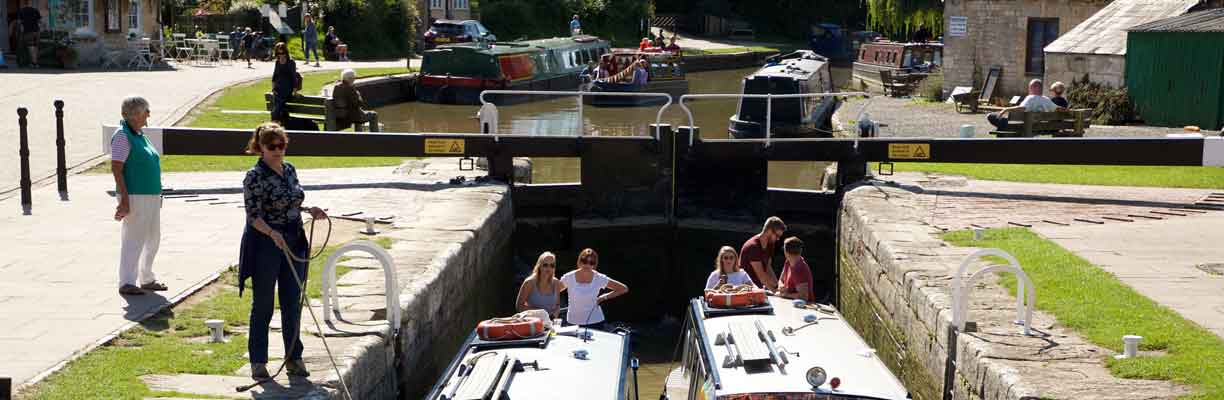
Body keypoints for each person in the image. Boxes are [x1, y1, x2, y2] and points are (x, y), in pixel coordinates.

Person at [238, 122, 329, 380]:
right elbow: (253, 215)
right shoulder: (254, 176)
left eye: (282, 146)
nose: (278, 151)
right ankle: (258, 362)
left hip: (294, 239)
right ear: (260, 148)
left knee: (292, 302)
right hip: (266, 244)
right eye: (272, 147)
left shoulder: (289, 170)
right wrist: (271, 233)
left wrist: (309, 210)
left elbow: (291, 201)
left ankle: (294, 357)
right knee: (264, 304)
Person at [111, 96, 165, 296]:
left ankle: (147, 277)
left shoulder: (139, 134)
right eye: (146, 111)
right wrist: (124, 199)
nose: (149, 114)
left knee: (153, 238)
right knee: (134, 238)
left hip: (150, 195)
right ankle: (126, 281)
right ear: (135, 115)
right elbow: (117, 169)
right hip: (135, 196)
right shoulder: (123, 136)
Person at [559, 248, 628, 329]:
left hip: (595, 322)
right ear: (579, 261)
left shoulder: (599, 278)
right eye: (584, 261)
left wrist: (603, 297)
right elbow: (555, 291)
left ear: (594, 264)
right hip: (573, 323)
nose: (587, 265)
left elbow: (623, 288)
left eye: (591, 262)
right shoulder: (569, 277)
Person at [986, 79, 1061, 130]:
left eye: (1030, 87)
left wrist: (1006, 109)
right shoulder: (1047, 99)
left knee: (990, 116)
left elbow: (1022, 108)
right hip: (1040, 126)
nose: (1029, 89)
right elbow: (1058, 108)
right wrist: (1070, 110)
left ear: (1035, 87)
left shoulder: (1030, 98)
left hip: (1023, 126)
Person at [739, 216, 786, 291]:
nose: (778, 239)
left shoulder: (770, 244)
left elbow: (768, 268)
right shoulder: (753, 246)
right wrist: (775, 291)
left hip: (758, 288)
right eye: (777, 236)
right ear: (769, 231)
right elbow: (761, 276)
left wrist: (777, 286)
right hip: (744, 288)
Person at [516, 252, 561, 318]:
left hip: (550, 322)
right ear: (539, 266)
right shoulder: (529, 282)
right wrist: (541, 313)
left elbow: (557, 305)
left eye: (552, 265)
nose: (549, 268)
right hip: (533, 323)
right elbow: (519, 306)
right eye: (545, 265)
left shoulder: (556, 282)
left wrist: (555, 314)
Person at [776, 237, 814, 302]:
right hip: (789, 302)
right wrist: (781, 286)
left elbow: (804, 297)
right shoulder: (788, 261)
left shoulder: (799, 269)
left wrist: (785, 294)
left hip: (805, 306)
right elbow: (781, 280)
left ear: (785, 251)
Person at [270, 42, 298, 123]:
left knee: (276, 110)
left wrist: (295, 91)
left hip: (286, 89)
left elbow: (294, 77)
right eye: (278, 53)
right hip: (277, 90)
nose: (281, 55)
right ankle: (277, 122)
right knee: (278, 108)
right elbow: (274, 76)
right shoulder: (277, 62)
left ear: (286, 52)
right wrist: (273, 88)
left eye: (282, 53)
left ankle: (274, 124)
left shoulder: (291, 62)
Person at [17, 0, 41, 68]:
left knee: (31, 47)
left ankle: (34, 63)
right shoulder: (36, 10)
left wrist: (21, 29)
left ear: (24, 4)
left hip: (28, 31)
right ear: (30, 4)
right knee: (36, 47)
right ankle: (35, 63)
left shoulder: (22, 11)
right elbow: (39, 21)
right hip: (36, 31)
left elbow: (19, 23)